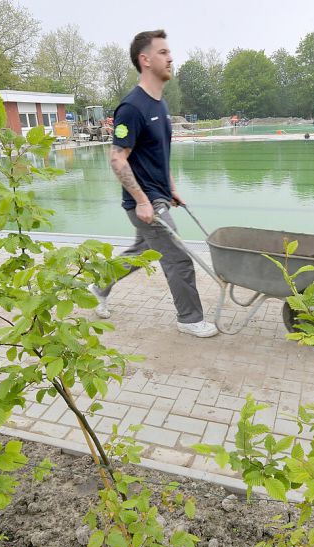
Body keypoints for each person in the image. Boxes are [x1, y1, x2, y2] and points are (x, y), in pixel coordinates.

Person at [89, 29, 218, 338]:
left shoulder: (159, 104)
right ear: (144, 60)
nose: (170, 57)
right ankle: (189, 319)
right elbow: (118, 158)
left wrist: (171, 186)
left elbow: (159, 154)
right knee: (179, 259)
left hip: (158, 196)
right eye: (163, 52)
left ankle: (98, 286)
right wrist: (143, 201)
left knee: (141, 252)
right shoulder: (132, 108)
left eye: (169, 51)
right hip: (145, 203)